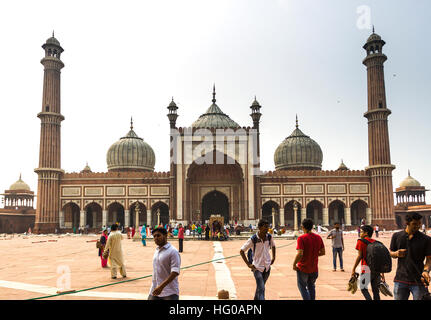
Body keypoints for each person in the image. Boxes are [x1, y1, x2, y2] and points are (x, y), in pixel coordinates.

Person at [389, 212, 431, 300]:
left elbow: (429, 259)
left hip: (418, 280)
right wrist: (396, 254)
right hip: (400, 279)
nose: (418, 226)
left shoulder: (426, 239)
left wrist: (426, 270)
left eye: (419, 223)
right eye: (414, 224)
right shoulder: (397, 236)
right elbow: (390, 253)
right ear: (407, 223)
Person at [240, 219, 276, 300]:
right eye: (265, 227)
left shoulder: (269, 237)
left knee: (260, 287)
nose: (267, 229)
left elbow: (273, 246)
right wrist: (248, 264)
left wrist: (274, 257)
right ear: (259, 227)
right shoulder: (253, 239)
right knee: (262, 288)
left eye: (267, 227)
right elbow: (242, 251)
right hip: (257, 267)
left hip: (267, 267)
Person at [293, 218, 325, 300]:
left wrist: (294, 264)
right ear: (312, 227)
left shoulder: (301, 238)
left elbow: (300, 253)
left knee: (302, 287)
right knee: (311, 287)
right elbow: (323, 252)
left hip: (303, 267)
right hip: (314, 268)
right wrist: (313, 254)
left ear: (302, 227)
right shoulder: (318, 237)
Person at [148, 227, 181, 300]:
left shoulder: (173, 251)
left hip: (169, 292)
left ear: (165, 236)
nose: (156, 238)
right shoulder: (157, 250)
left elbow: (175, 272)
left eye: (158, 235)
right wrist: (157, 287)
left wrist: (161, 287)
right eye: (154, 236)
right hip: (155, 290)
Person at [351, 225, 382, 300]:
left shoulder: (360, 242)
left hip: (366, 268)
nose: (360, 233)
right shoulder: (377, 242)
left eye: (361, 231)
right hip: (376, 270)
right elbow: (380, 259)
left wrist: (353, 269)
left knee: (363, 288)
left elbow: (359, 256)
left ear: (366, 233)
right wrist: (382, 272)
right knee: (375, 291)